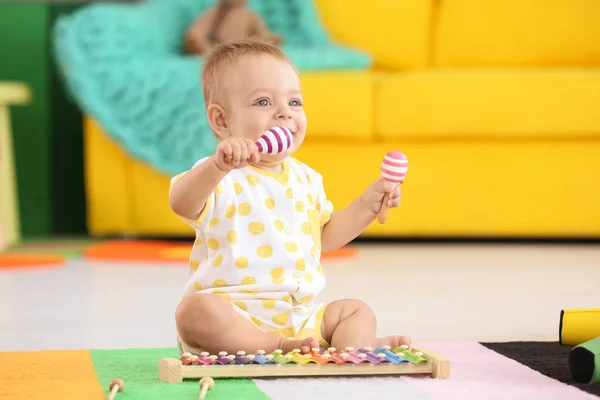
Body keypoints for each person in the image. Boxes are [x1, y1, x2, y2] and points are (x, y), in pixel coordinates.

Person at [169, 39, 410, 356]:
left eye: (294, 103)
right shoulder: (221, 173)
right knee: (193, 312)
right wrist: (217, 167)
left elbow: (326, 238)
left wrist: (368, 203)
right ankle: (275, 346)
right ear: (221, 121)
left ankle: (355, 347)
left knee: (356, 310)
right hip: (235, 317)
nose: (284, 113)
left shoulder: (307, 178)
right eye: (264, 103)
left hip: (302, 318)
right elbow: (181, 202)